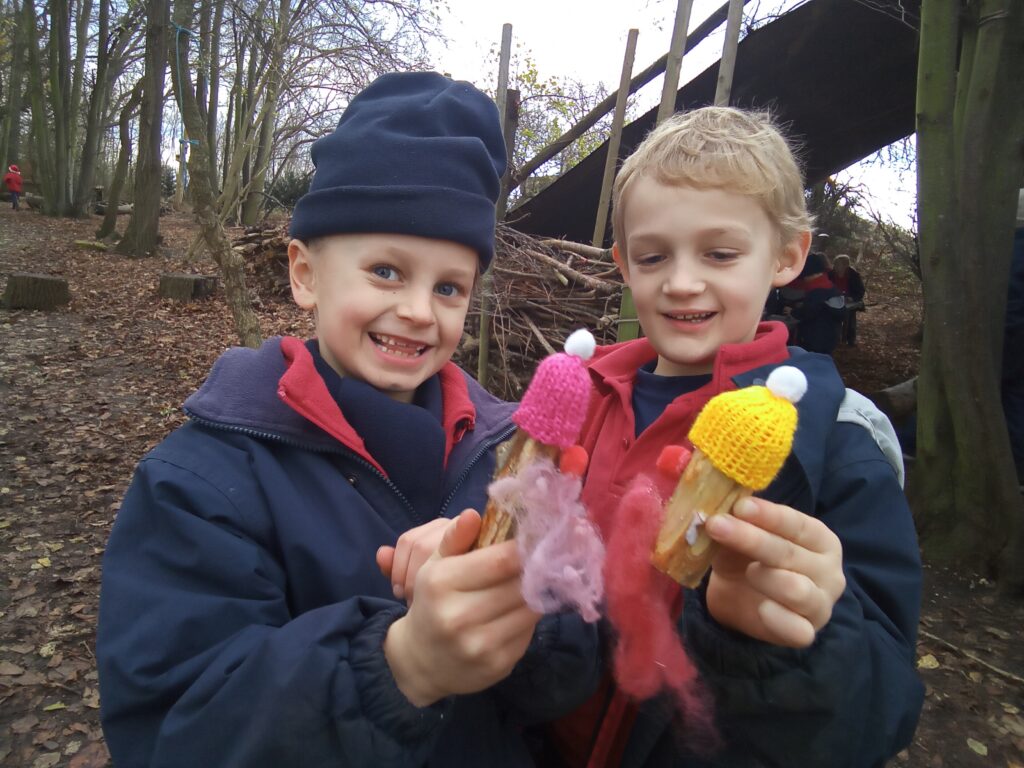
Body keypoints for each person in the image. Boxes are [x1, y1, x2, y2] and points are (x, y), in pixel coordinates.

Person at [97, 72, 598, 768]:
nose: (420, 310)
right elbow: (173, 729)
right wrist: (402, 666)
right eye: (387, 272)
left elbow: (572, 675)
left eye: (448, 286)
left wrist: (524, 619)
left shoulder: (504, 455)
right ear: (305, 274)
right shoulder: (203, 483)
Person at [543, 107, 923, 767]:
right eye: (654, 255)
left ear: (786, 256)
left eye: (719, 253)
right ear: (623, 265)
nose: (683, 280)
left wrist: (786, 643)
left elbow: (877, 709)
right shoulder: (580, 399)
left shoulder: (835, 440)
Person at [790, 250, 845, 354]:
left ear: (809, 273)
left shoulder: (816, 291)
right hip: (830, 338)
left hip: (815, 338)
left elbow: (808, 312)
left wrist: (793, 312)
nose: (804, 280)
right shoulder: (831, 288)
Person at [830, 253, 866, 346]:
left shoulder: (854, 275)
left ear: (845, 266)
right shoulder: (830, 274)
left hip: (849, 301)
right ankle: (834, 338)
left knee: (849, 316)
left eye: (838, 264)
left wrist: (852, 298)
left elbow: (860, 291)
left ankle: (850, 340)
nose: (836, 267)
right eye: (835, 264)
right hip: (834, 300)